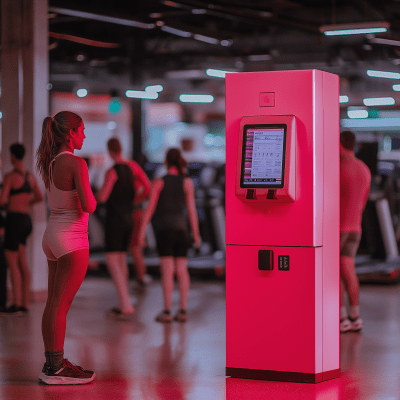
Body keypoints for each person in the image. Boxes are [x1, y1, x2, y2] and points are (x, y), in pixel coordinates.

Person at [36, 111, 97, 384]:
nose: (84, 135)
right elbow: (89, 205)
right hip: (71, 239)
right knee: (61, 306)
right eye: (81, 130)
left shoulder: (50, 162)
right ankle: (58, 367)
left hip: (52, 237)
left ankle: (53, 364)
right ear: (71, 133)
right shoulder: (76, 163)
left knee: (53, 303)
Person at [138, 148, 201, 323]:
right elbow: (192, 211)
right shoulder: (186, 182)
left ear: (166, 162)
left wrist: (141, 230)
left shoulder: (159, 182)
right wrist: (196, 235)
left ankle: (166, 312)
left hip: (164, 230)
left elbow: (149, 208)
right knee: (182, 270)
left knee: (167, 271)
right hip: (182, 230)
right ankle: (182, 311)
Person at [96, 138, 149, 319]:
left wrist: (91, 194)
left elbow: (103, 197)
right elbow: (145, 188)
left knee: (112, 259)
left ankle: (125, 303)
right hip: (129, 218)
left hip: (115, 220)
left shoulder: (113, 171)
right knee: (121, 258)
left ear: (110, 151)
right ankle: (122, 302)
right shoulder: (131, 168)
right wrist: (136, 201)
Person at [0, 143, 44, 315]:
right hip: (26, 221)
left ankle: (16, 304)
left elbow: (2, 201)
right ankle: (25, 304)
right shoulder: (30, 177)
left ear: (12, 156)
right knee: (22, 262)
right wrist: (26, 203)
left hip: (14, 220)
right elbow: (39, 197)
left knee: (12, 264)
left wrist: (12, 204)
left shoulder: (11, 177)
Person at [339, 130, 371, 333]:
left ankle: (341, 318)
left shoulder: (338, 168)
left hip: (338, 229)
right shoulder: (364, 169)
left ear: (340, 144)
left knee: (333, 273)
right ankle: (355, 316)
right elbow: (363, 202)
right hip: (355, 228)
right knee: (349, 271)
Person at [129, 154, 151, 290]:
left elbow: (147, 188)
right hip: (137, 212)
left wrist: (137, 201)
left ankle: (141, 277)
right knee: (136, 246)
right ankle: (141, 276)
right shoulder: (137, 180)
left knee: (135, 246)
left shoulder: (136, 181)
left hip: (135, 213)